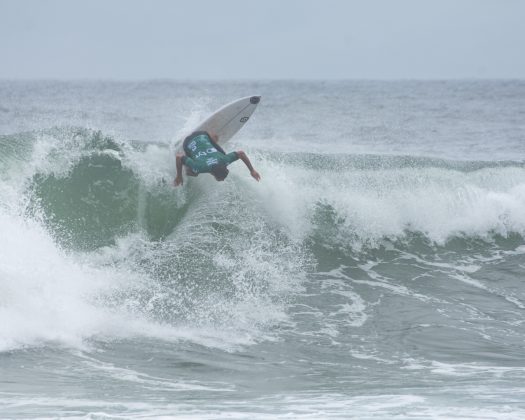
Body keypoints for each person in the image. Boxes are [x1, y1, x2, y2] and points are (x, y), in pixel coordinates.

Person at [174, 131, 261, 186]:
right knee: (192, 172)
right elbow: (178, 157)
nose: (222, 180)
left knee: (222, 153)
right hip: (187, 142)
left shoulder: (224, 160)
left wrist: (252, 170)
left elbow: (241, 153)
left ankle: (213, 136)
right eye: (220, 179)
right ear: (212, 174)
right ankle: (186, 154)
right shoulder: (199, 167)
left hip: (202, 134)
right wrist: (179, 176)